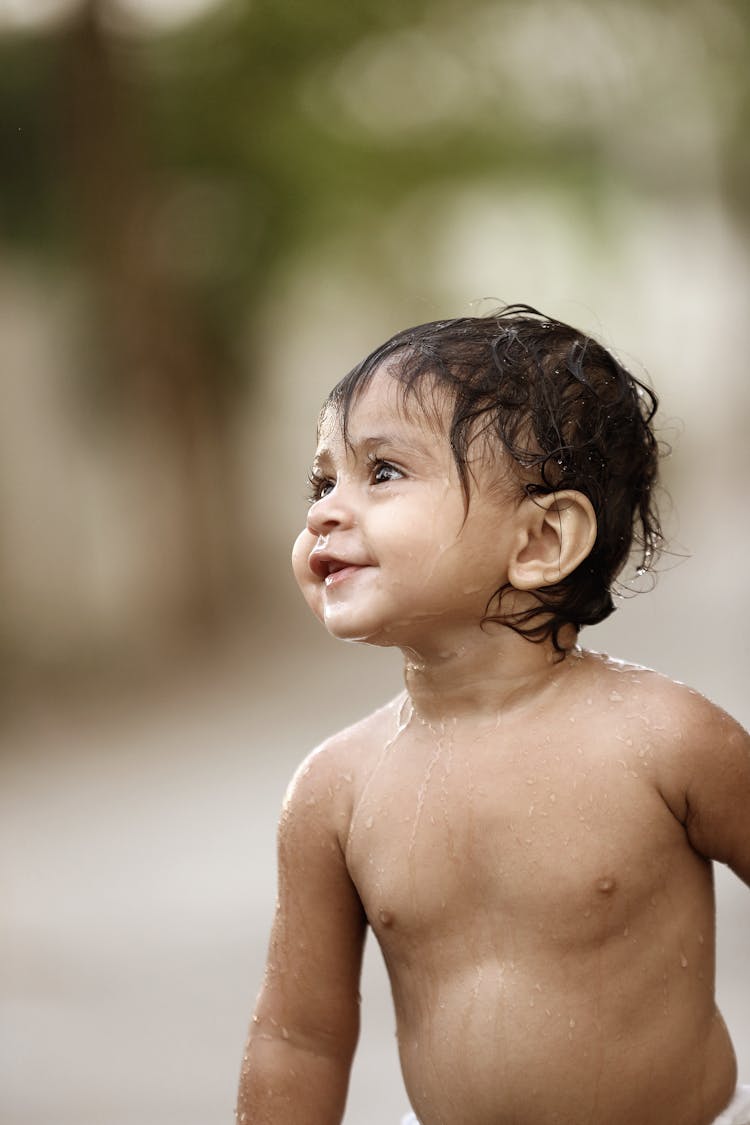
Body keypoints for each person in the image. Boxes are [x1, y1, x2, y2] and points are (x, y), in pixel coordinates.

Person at [237, 306, 750, 1125]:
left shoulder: (666, 740)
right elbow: (299, 1037)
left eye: (383, 473)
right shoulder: (335, 791)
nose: (325, 512)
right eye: (322, 481)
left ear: (542, 539)